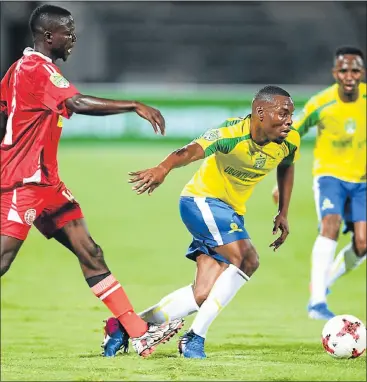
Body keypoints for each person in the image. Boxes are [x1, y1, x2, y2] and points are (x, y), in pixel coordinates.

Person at [0, 4, 184, 358]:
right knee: (3, 260)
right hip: (22, 183)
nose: (73, 39)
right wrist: (133, 104)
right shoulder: (35, 68)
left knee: (90, 251)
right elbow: (78, 102)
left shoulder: (19, 70)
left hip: (47, 185)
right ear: (48, 36)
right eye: (68, 33)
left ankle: (137, 332)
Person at [102, 85, 301, 359]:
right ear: (260, 112)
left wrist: (283, 211)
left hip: (230, 212)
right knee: (248, 260)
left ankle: (124, 327)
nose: (289, 120)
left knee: (204, 294)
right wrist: (163, 167)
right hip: (201, 202)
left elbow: (287, 166)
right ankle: (194, 339)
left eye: (291, 114)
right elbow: (191, 150)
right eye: (283, 113)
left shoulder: (290, 141)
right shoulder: (231, 135)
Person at [272, 47, 366, 320]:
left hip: (362, 181)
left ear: (362, 73)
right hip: (330, 176)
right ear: (335, 73)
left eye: (355, 70)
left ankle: (325, 282)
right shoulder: (320, 103)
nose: (349, 76)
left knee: (362, 243)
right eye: (344, 70)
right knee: (330, 226)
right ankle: (317, 302)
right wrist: (282, 178)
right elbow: (291, 133)